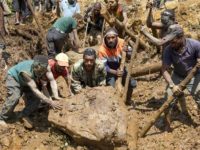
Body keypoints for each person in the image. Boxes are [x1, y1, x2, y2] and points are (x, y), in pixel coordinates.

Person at [0, 55, 61, 128]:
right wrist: (50, 102)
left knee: (36, 100)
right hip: (14, 78)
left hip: (28, 81)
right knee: (14, 97)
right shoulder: (26, 72)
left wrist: (55, 96)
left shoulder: (46, 67)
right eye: (37, 69)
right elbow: (35, 89)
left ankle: (22, 115)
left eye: (41, 69)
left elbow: (51, 81)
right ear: (34, 65)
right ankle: (2, 117)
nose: (38, 70)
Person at [162, 24, 200, 128]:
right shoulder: (168, 50)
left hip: (194, 75)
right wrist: (171, 85)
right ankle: (167, 123)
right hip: (177, 75)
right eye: (169, 41)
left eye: (173, 41)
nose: (171, 43)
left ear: (181, 37)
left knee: (199, 94)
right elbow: (164, 70)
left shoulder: (195, 45)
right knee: (168, 97)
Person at [98, 28, 137, 105]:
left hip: (120, 67)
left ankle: (128, 100)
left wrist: (127, 51)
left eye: (113, 37)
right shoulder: (102, 50)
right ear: (105, 38)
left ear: (116, 37)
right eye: (108, 38)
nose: (111, 40)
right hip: (109, 70)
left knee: (131, 83)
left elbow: (132, 56)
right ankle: (112, 104)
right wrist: (115, 72)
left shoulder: (122, 42)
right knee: (110, 87)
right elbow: (103, 67)